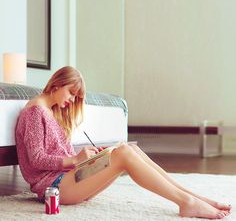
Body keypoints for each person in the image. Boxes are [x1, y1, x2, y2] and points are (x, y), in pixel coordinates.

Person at [15, 66, 231, 219]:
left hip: (68, 181)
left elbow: (58, 154)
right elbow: (36, 160)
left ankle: (195, 197)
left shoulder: (50, 112)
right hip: (54, 188)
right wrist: (74, 160)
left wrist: (87, 158)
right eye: (71, 93)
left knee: (129, 149)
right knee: (124, 154)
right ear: (56, 84)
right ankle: (186, 203)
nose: (72, 100)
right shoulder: (35, 112)